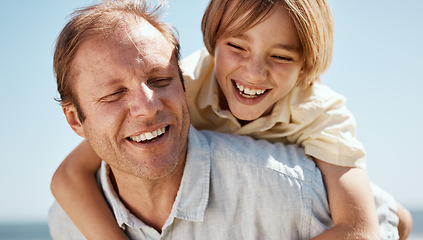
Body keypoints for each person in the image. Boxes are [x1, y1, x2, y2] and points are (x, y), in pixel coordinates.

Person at [50, 0, 411, 239]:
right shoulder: (184, 84)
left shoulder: (320, 111)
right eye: (237, 47)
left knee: (396, 215)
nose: (254, 72)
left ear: (304, 69)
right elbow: (69, 174)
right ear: (212, 43)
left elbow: (362, 229)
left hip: (310, 177)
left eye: (282, 57)